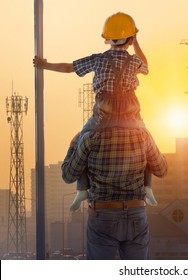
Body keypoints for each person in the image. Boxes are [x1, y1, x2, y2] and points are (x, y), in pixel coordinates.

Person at [33, 12, 158, 210]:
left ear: (108, 39)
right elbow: (146, 66)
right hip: (130, 116)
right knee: (148, 142)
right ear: (131, 38)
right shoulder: (134, 61)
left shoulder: (98, 59)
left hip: (103, 117)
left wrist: (44, 65)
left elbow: (69, 68)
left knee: (79, 140)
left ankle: (82, 190)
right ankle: (148, 188)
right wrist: (137, 43)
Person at [61, 96, 168, 259]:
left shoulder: (90, 137)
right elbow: (162, 170)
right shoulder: (142, 136)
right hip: (136, 212)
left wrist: (72, 145)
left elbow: (68, 175)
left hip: (103, 214)